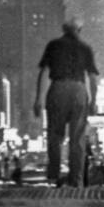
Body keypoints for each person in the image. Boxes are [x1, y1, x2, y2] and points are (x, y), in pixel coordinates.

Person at [32, 18, 98, 188]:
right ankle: (76, 180)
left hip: (58, 88)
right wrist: (93, 102)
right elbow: (92, 77)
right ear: (79, 30)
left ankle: (54, 176)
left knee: (54, 135)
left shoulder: (53, 45)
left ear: (64, 30)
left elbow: (44, 72)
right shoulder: (85, 48)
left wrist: (39, 99)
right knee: (77, 139)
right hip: (78, 90)